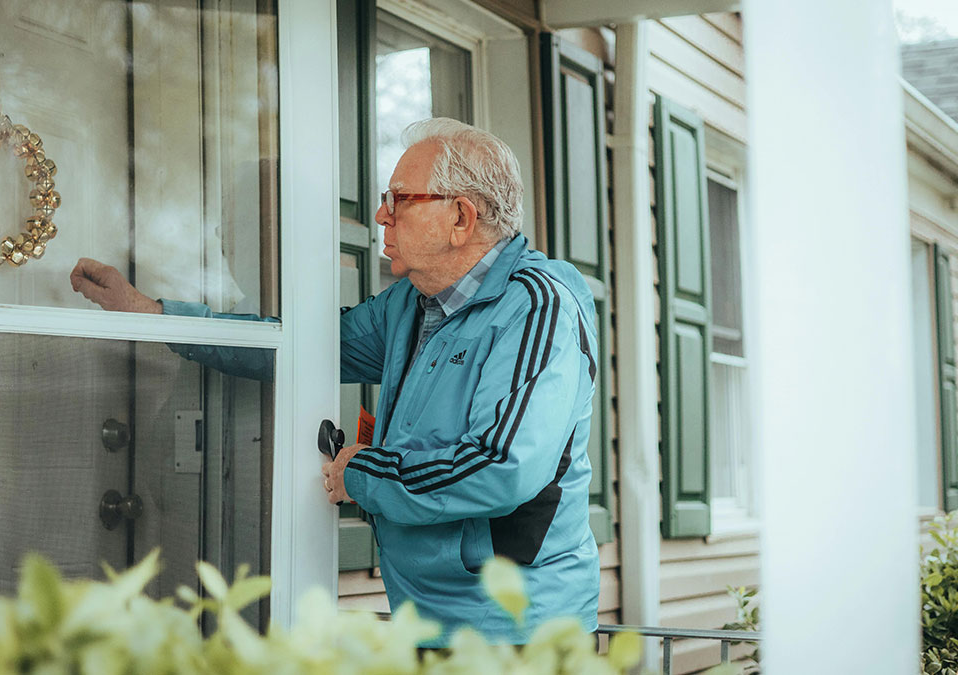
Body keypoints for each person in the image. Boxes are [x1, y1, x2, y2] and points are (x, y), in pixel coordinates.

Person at [69, 117, 600, 646]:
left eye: (399, 200)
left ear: (460, 217)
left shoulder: (536, 307)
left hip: (517, 632)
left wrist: (363, 472)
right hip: (427, 622)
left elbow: (503, 466)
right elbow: (293, 346)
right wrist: (150, 313)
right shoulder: (410, 307)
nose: (379, 217)